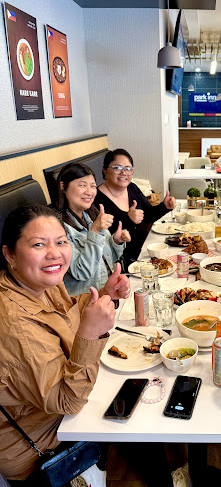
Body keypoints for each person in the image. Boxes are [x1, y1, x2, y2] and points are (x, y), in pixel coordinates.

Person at [0, 205, 130, 483]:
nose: (54, 253)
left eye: (61, 242)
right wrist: (90, 334)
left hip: (64, 415)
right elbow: (67, 401)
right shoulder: (13, 322)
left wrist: (104, 294)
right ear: (9, 254)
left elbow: (66, 314)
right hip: (41, 447)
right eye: (38, 244)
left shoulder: (39, 283)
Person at [55, 163, 131, 296]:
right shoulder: (57, 228)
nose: (89, 192)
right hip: (86, 302)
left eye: (93, 186)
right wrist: (94, 231)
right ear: (63, 186)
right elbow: (82, 272)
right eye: (82, 185)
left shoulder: (90, 216)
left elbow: (106, 260)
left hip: (107, 293)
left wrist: (116, 241)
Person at [95, 149, 176, 267]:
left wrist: (164, 206)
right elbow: (106, 240)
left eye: (128, 169)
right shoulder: (97, 199)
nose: (124, 173)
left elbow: (148, 215)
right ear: (105, 171)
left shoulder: (132, 188)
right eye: (117, 168)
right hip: (123, 262)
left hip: (145, 251)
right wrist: (128, 219)